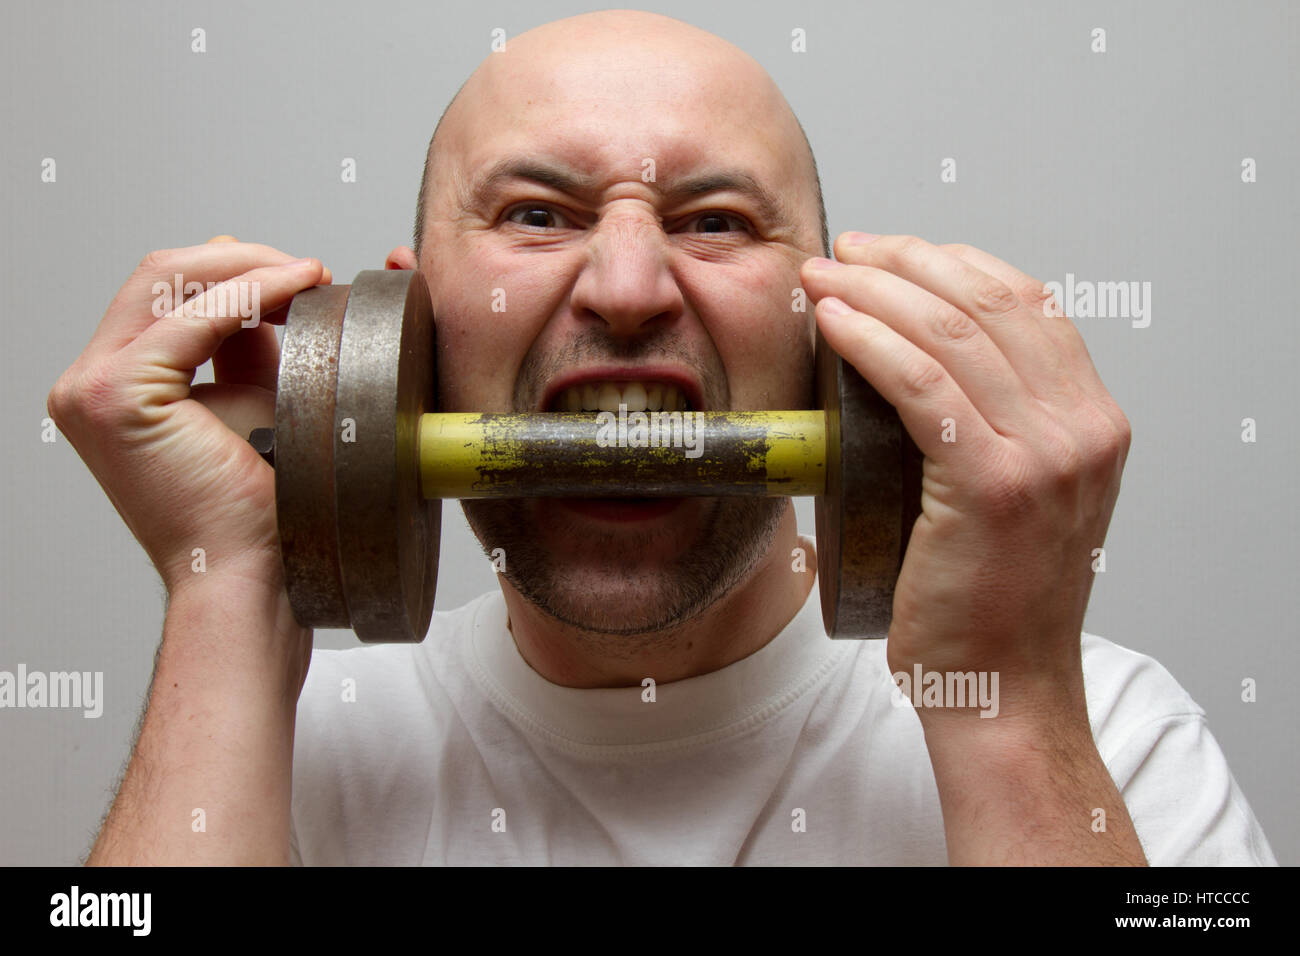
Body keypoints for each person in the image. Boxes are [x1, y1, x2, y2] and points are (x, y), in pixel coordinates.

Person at [48, 10, 1275, 866]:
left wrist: (1008, 706)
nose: (627, 284)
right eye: (537, 213)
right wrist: (231, 588)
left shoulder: (1108, 727)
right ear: (412, 330)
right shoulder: (280, 746)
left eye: (716, 221)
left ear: (830, 328)